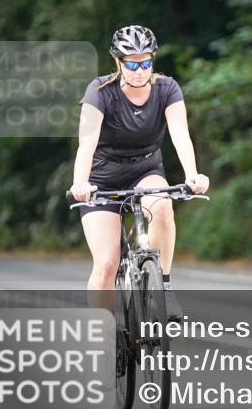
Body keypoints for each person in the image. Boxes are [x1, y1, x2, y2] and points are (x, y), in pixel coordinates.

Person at [69, 26, 209, 321]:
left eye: (146, 62)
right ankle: (101, 335)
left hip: (145, 169)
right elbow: (86, 144)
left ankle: (164, 291)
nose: (139, 70)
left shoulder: (167, 89)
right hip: (101, 179)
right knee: (107, 263)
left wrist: (193, 175)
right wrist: (80, 183)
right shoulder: (100, 92)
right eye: (131, 64)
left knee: (162, 207)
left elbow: (180, 135)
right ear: (117, 62)